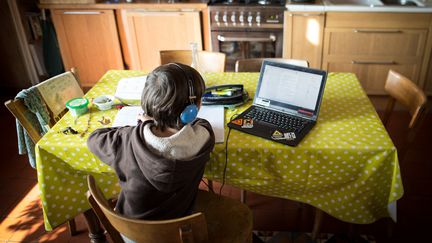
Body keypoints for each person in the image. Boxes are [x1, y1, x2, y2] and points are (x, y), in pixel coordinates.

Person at [87, 63, 215, 224]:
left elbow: (93, 138)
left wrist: (145, 125)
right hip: (179, 229)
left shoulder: (125, 139)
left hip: (131, 231)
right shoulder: (203, 138)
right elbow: (203, 124)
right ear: (191, 111)